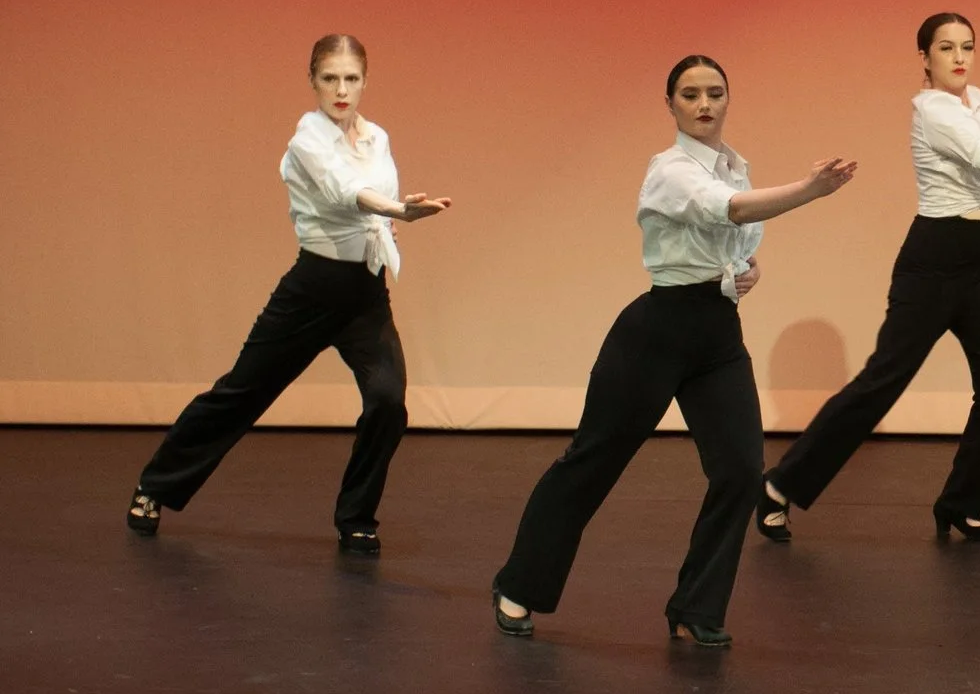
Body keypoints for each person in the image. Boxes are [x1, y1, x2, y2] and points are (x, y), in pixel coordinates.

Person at [490, 55, 856, 648]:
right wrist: (810, 190)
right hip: (655, 333)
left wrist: (745, 268)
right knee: (593, 461)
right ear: (670, 105)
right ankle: (519, 584)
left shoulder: (734, 165)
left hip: (718, 337)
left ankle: (696, 608)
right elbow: (730, 209)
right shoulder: (669, 169)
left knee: (740, 471)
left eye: (715, 92)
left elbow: (735, 235)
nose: (704, 104)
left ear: (728, 98)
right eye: (690, 94)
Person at [759, 12, 980, 544]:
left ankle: (961, 504)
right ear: (924, 58)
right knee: (882, 382)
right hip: (931, 263)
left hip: (975, 263)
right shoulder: (934, 111)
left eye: (967, 46)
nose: (959, 57)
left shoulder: (977, 101)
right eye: (946, 48)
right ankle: (779, 486)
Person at [127, 33, 447, 553]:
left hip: (366, 294)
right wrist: (396, 211)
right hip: (311, 291)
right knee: (241, 394)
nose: (341, 90)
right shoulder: (307, 139)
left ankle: (356, 518)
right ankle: (155, 486)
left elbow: (375, 197)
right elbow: (345, 191)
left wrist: (388, 226)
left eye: (351, 79)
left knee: (388, 402)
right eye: (330, 78)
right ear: (312, 81)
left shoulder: (376, 137)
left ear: (365, 81)